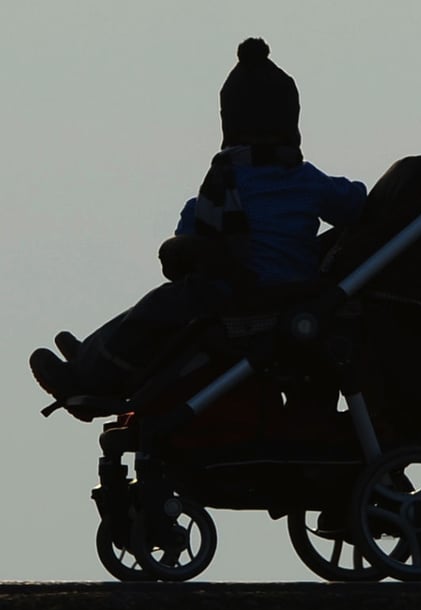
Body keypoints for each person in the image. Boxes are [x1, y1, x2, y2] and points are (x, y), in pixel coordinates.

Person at [30, 37, 367, 402]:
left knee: (154, 310)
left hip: (242, 296)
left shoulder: (223, 182)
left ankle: (93, 373)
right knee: (163, 309)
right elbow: (355, 204)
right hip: (295, 291)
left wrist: (185, 249)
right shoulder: (307, 179)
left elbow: (188, 238)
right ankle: (91, 356)